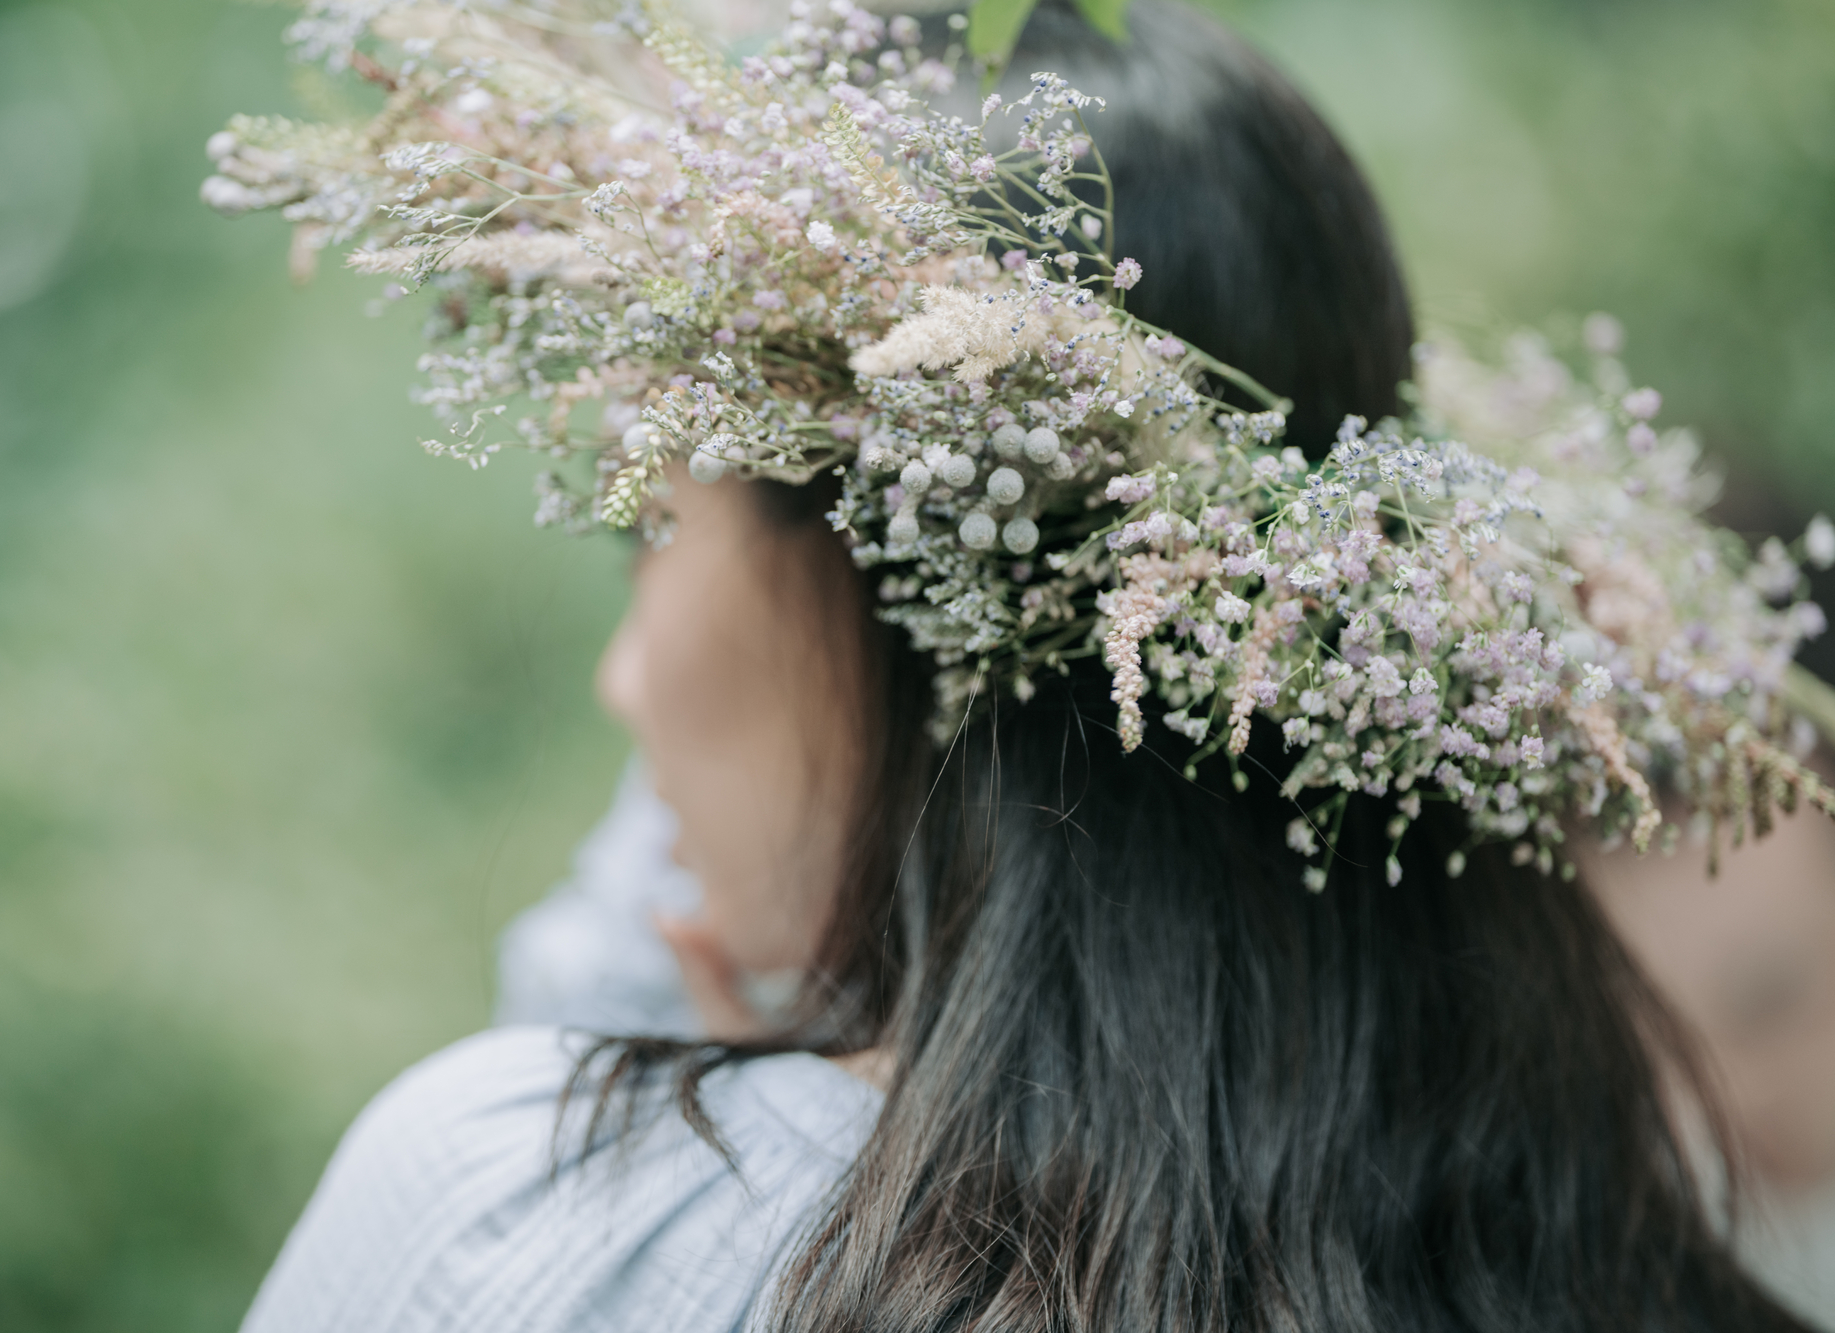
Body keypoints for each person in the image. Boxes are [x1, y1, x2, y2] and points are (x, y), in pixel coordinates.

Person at [223, 3, 1820, 1331]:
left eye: (650, 524)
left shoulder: (530, 1219)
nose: (625, 686)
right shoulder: (1628, 1273)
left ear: (891, 585)